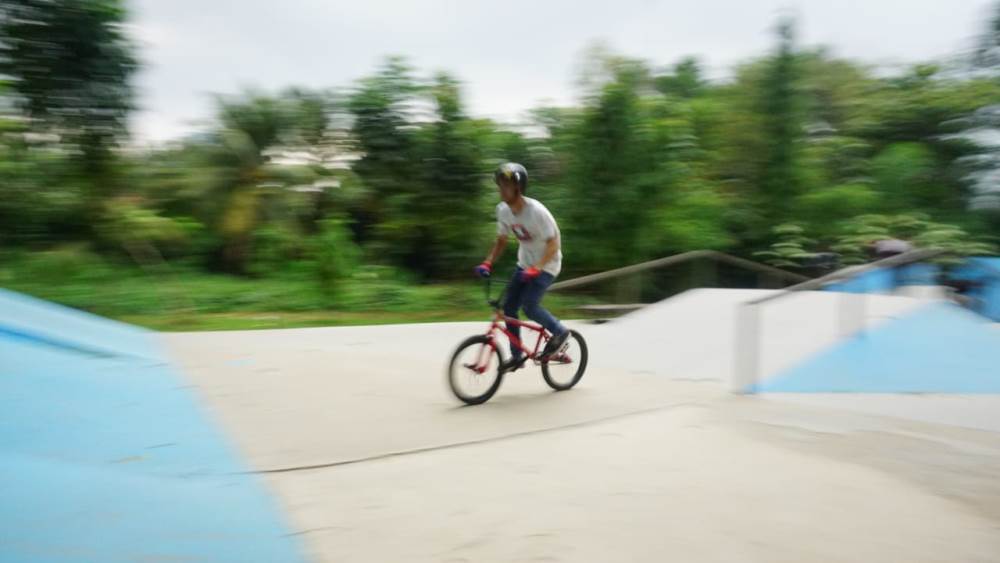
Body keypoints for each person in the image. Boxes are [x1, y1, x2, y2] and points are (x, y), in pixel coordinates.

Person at [475, 162, 569, 373]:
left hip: (548, 264)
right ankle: (517, 357)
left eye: (506, 185)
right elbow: (501, 240)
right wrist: (488, 262)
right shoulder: (503, 210)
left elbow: (554, 244)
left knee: (529, 306)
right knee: (509, 308)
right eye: (500, 185)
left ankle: (560, 332)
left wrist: (538, 267)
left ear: (518, 188)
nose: (501, 189)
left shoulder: (536, 212)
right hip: (524, 264)